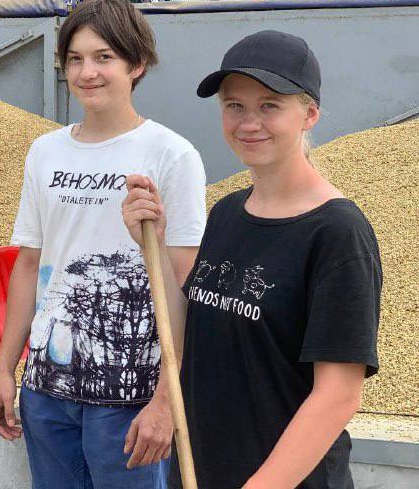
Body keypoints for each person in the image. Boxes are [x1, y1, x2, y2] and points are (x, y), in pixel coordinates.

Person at [121, 30, 381, 488]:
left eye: (269, 105)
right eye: (234, 105)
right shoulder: (227, 213)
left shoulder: (337, 233)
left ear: (309, 115)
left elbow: (338, 396)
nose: (248, 122)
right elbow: (188, 331)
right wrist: (154, 248)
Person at [0, 0, 207, 489]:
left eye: (104, 57)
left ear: (137, 64)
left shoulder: (171, 155)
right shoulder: (45, 152)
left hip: (131, 393)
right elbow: (29, 265)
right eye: (75, 59)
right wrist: (5, 370)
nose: (87, 72)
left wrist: (166, 402)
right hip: (47, 386)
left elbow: (185, 280)